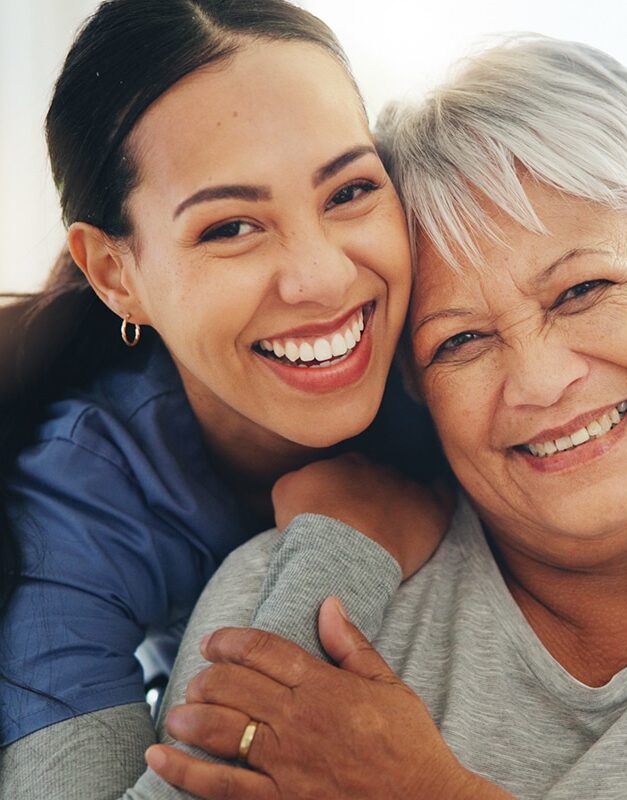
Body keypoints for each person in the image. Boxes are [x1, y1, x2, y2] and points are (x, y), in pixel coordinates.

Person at [141, 34, 627, 800]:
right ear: (413, 381)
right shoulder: (288, 600)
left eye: (582, 291)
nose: (539, 383)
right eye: (462, 341)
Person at [0, 1, 451, 796]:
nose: (322, 278)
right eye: (231, 228)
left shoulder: (472, 335)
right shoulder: (83, 494)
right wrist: (340, 553)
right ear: (116, 274)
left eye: (348, 191)